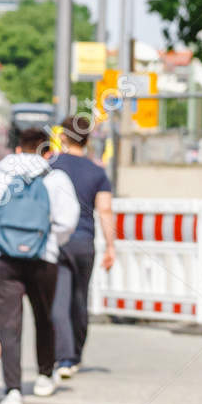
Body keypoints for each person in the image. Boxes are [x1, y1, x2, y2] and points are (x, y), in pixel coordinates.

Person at [0, 127, 79, 404]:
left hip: (5, 258)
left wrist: (9, 239)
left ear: (18, 148)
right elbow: (67, 221)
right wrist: (47, 241)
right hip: (43, 258)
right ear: (46, 151)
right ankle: (45, 376)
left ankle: (12, 390)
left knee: (9, 325)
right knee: (44, 316)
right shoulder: (56, 177)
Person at [49, 113, 115, 379]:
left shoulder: (51, 166)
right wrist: (112, 247)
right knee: (80, 300)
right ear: (88, 140)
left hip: (58, 241)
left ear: (63, 136)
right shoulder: (97, 172)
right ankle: (74, 355)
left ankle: (63, 358)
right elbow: (106, 211)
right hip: (85, 243)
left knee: (59, 300)